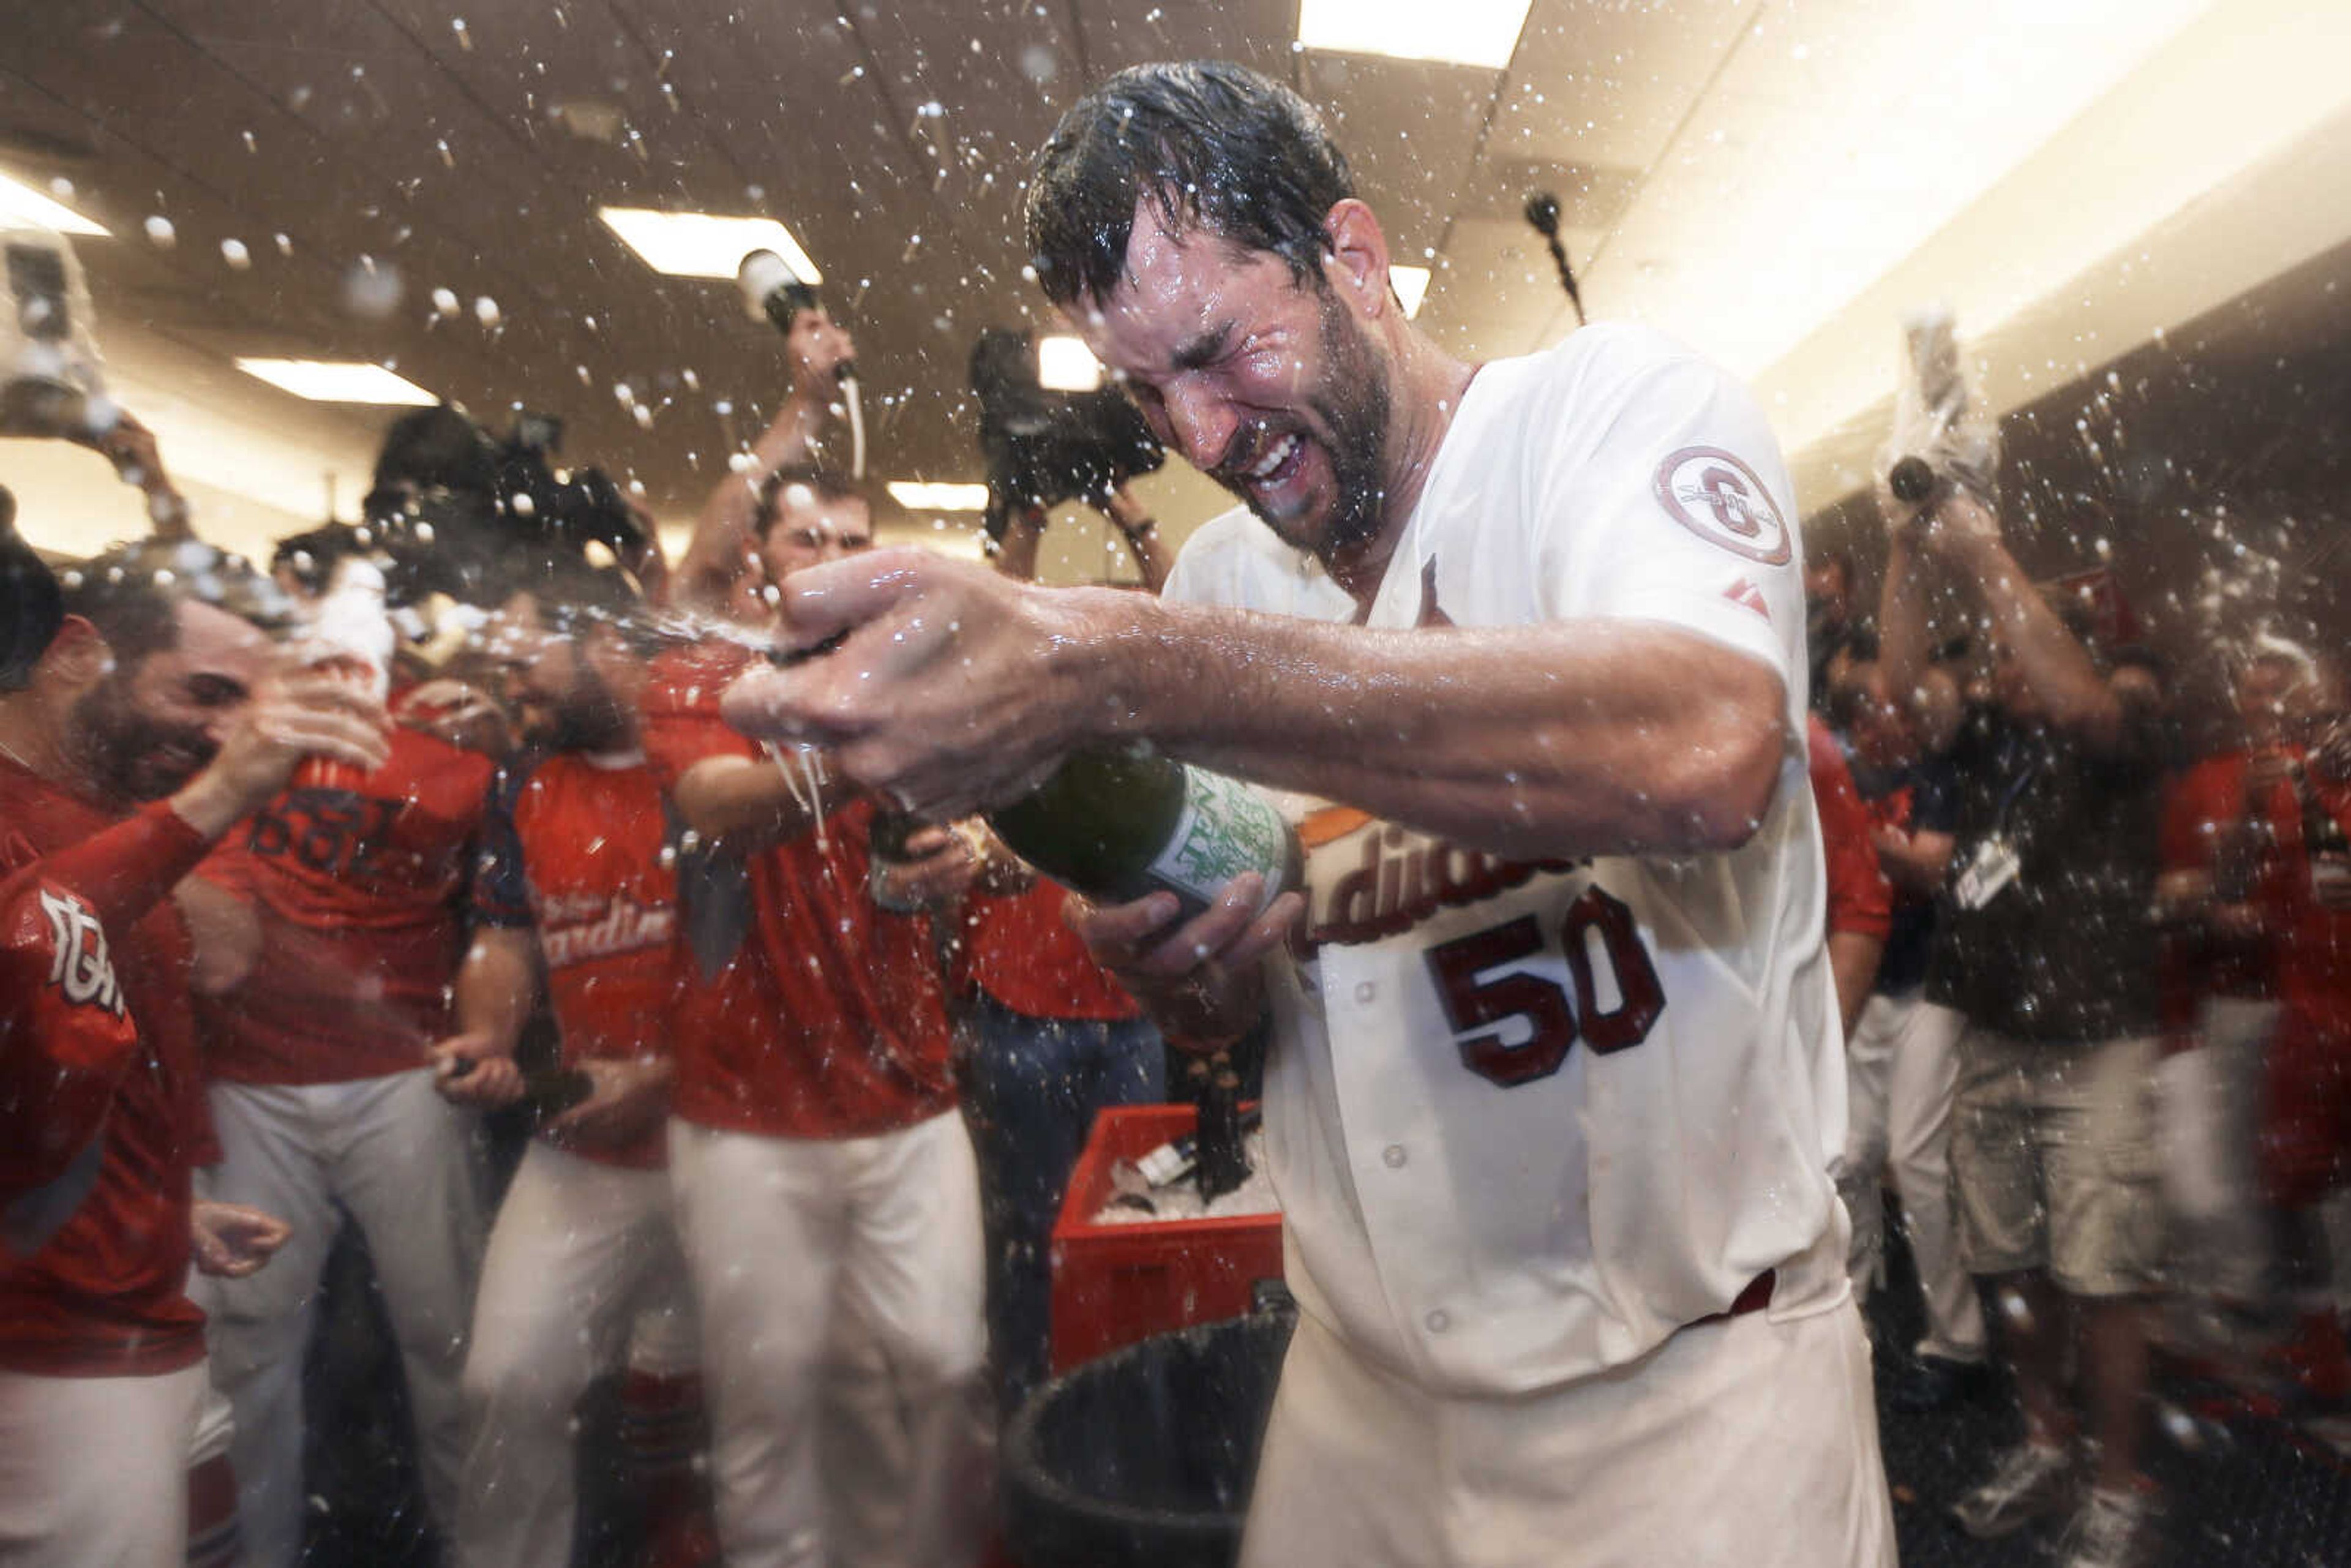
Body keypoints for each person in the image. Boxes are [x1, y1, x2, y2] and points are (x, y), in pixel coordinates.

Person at [722, 61, 1892, 1568]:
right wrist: (1176, 961)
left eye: (1221, 350)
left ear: (1352, 256)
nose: (1199, 435)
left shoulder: (1610, 416)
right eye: (1150, 392)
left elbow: (1706, 747)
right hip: (1360, 1390)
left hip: (1688, 1393)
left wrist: (1116, 657)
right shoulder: (1222, 586)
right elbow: (1246, 992)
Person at [0, 527, 384, 1566]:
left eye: (241, 711)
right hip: (52, 1349)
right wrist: (214, 803)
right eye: (203, 694)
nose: (224, 736)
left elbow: (80, 1064)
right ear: (76, 654)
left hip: (136, 1306)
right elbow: (25, 957)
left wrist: (168, 1199)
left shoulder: (111, 819)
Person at [644, 465, 990, 1568]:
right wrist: (865, 750)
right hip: (751, 1118)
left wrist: (963, 854)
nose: (835, 555)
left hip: (908, 1093)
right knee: (769, 1410)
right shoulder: (706, 676)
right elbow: (716, 810)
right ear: (760, 564)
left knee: (942, 1370)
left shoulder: (912, 679)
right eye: (808, 538)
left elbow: (981, 837)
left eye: (855, 536)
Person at [188, 552, 501, 1567]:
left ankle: (479, 1547)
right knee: (249, 1355)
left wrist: (507, 742)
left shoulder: (454, 738)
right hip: (251, 1079)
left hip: (401, 1073)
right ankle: (263, 1551)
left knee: (448, 1338)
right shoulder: (235, 731)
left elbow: (510, 906)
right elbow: (220, 949)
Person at [1880, 484, 2169, 1568]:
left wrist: (1990, 554)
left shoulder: (2124, 725)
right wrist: (1909, 551)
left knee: (2104, 1272)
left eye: (2018, 649)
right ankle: (2048, 1440)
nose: (2000, 670)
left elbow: (2083, 702)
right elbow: (1909, 687)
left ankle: (2119, 1483)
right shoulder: (1994, 742)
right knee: (2006, 1259)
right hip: (1995, 1032)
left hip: (2099, 1041)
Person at [430, 558, 714, 1568]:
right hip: (582, 1146)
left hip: (725, 1142)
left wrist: (668, 1074)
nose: (513, 678)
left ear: (602, 643)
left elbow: (777, 971)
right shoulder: (525, 780)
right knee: (508, 1384)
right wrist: (490, 1039)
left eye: (529, 654)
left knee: (692, 1392)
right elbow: (503, 935)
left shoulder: (711, 769)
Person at [957, 482, 1171, 1416]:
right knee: (1033, 1235)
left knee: (1134, 1232)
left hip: (1132, 1016)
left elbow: (1182, 614)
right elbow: (992, 625)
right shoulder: (1007, 719)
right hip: (1021, 1016)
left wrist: (1134, 517)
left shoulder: (1143, 736)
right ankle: (1041, 1428)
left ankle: (1126, 1410)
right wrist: (1028, 525)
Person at [1833, 658, 1990, 1409]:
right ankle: (1849, 1308)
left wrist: (1867, 837)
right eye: (1881, 710)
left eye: (1898, 708)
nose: (1892, 720)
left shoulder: (1938, 777)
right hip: (1867, 981)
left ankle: (1957, 1342)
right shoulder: (1841, 775)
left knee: (1915, 1158)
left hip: (1933, 984)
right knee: (1851, 1152)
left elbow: (1932, 868)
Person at [674, 285, 860, 612]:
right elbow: (711, 564)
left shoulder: (884, 639)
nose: (832, 558)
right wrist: (810, 402)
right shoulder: (736, 638)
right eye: (806, 540)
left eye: (853, 543)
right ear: (754, 551)